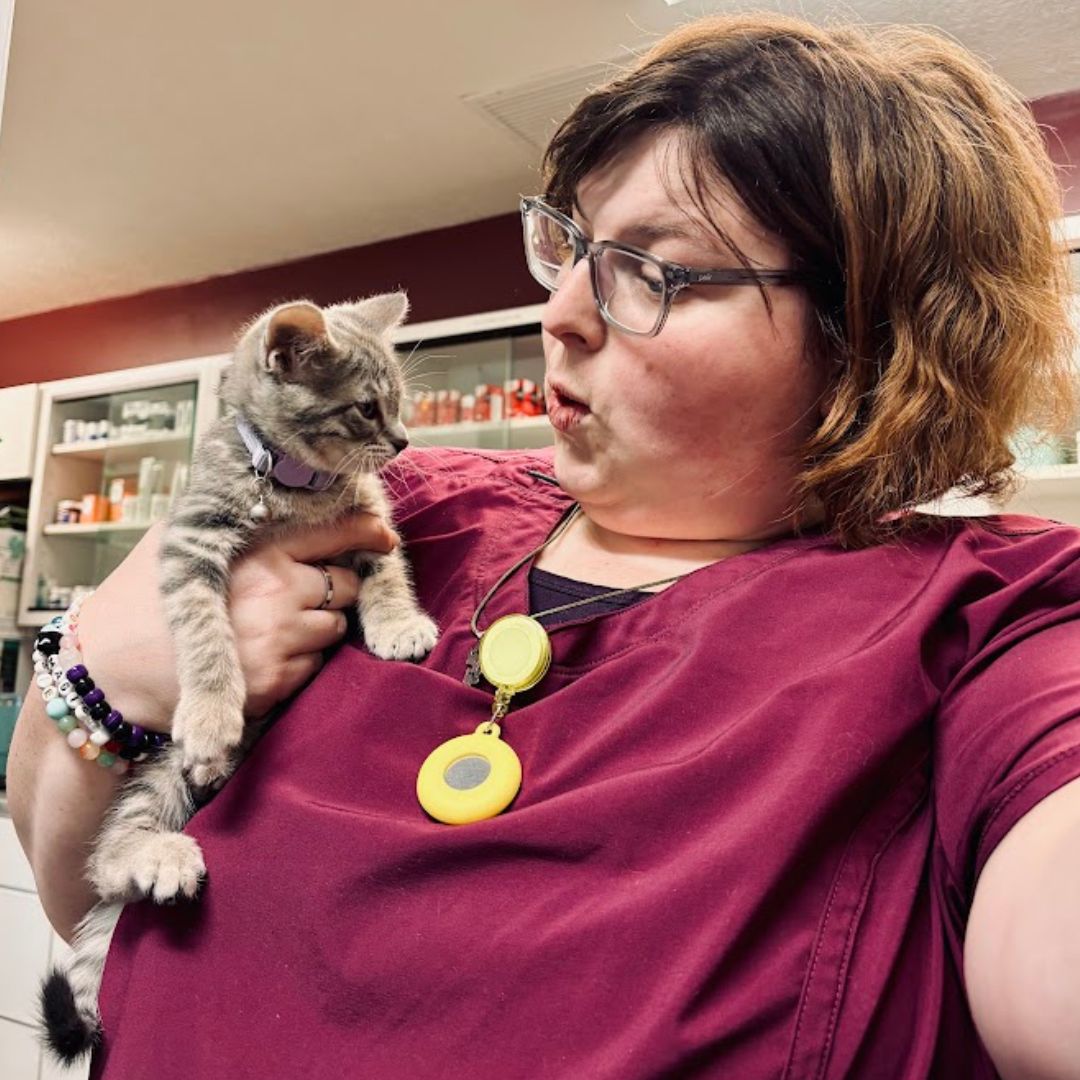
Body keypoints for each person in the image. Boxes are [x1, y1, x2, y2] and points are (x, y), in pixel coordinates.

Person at [8, 11, 1080, 1078]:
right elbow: (93, 902)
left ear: (874, 341)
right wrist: (101, 682)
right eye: (571, 243)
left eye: (655, 271)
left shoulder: (997, 621)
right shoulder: (391, 506)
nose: (561, 310)